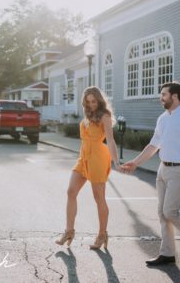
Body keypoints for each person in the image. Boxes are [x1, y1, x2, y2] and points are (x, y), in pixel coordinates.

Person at [121, 81, 180, 266]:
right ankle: (167, 254)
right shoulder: (163, 118)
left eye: (163, 94)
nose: (160, 98)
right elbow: (154, 144)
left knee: (170, 211)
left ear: (175, 96)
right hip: (163, 169)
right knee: (162, 214)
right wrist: (136, 162)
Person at [55, 87, 122, 250]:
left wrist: (117, 162)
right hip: (83, 157)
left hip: (97, 157)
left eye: (93, 101)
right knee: (71, 192)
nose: (91, 104)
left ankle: (102, 234)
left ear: (99, 100)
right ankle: (69, 231)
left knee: (99, 198)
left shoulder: (104, 115)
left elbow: (111, 141)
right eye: (88, 102)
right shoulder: (87, 114)